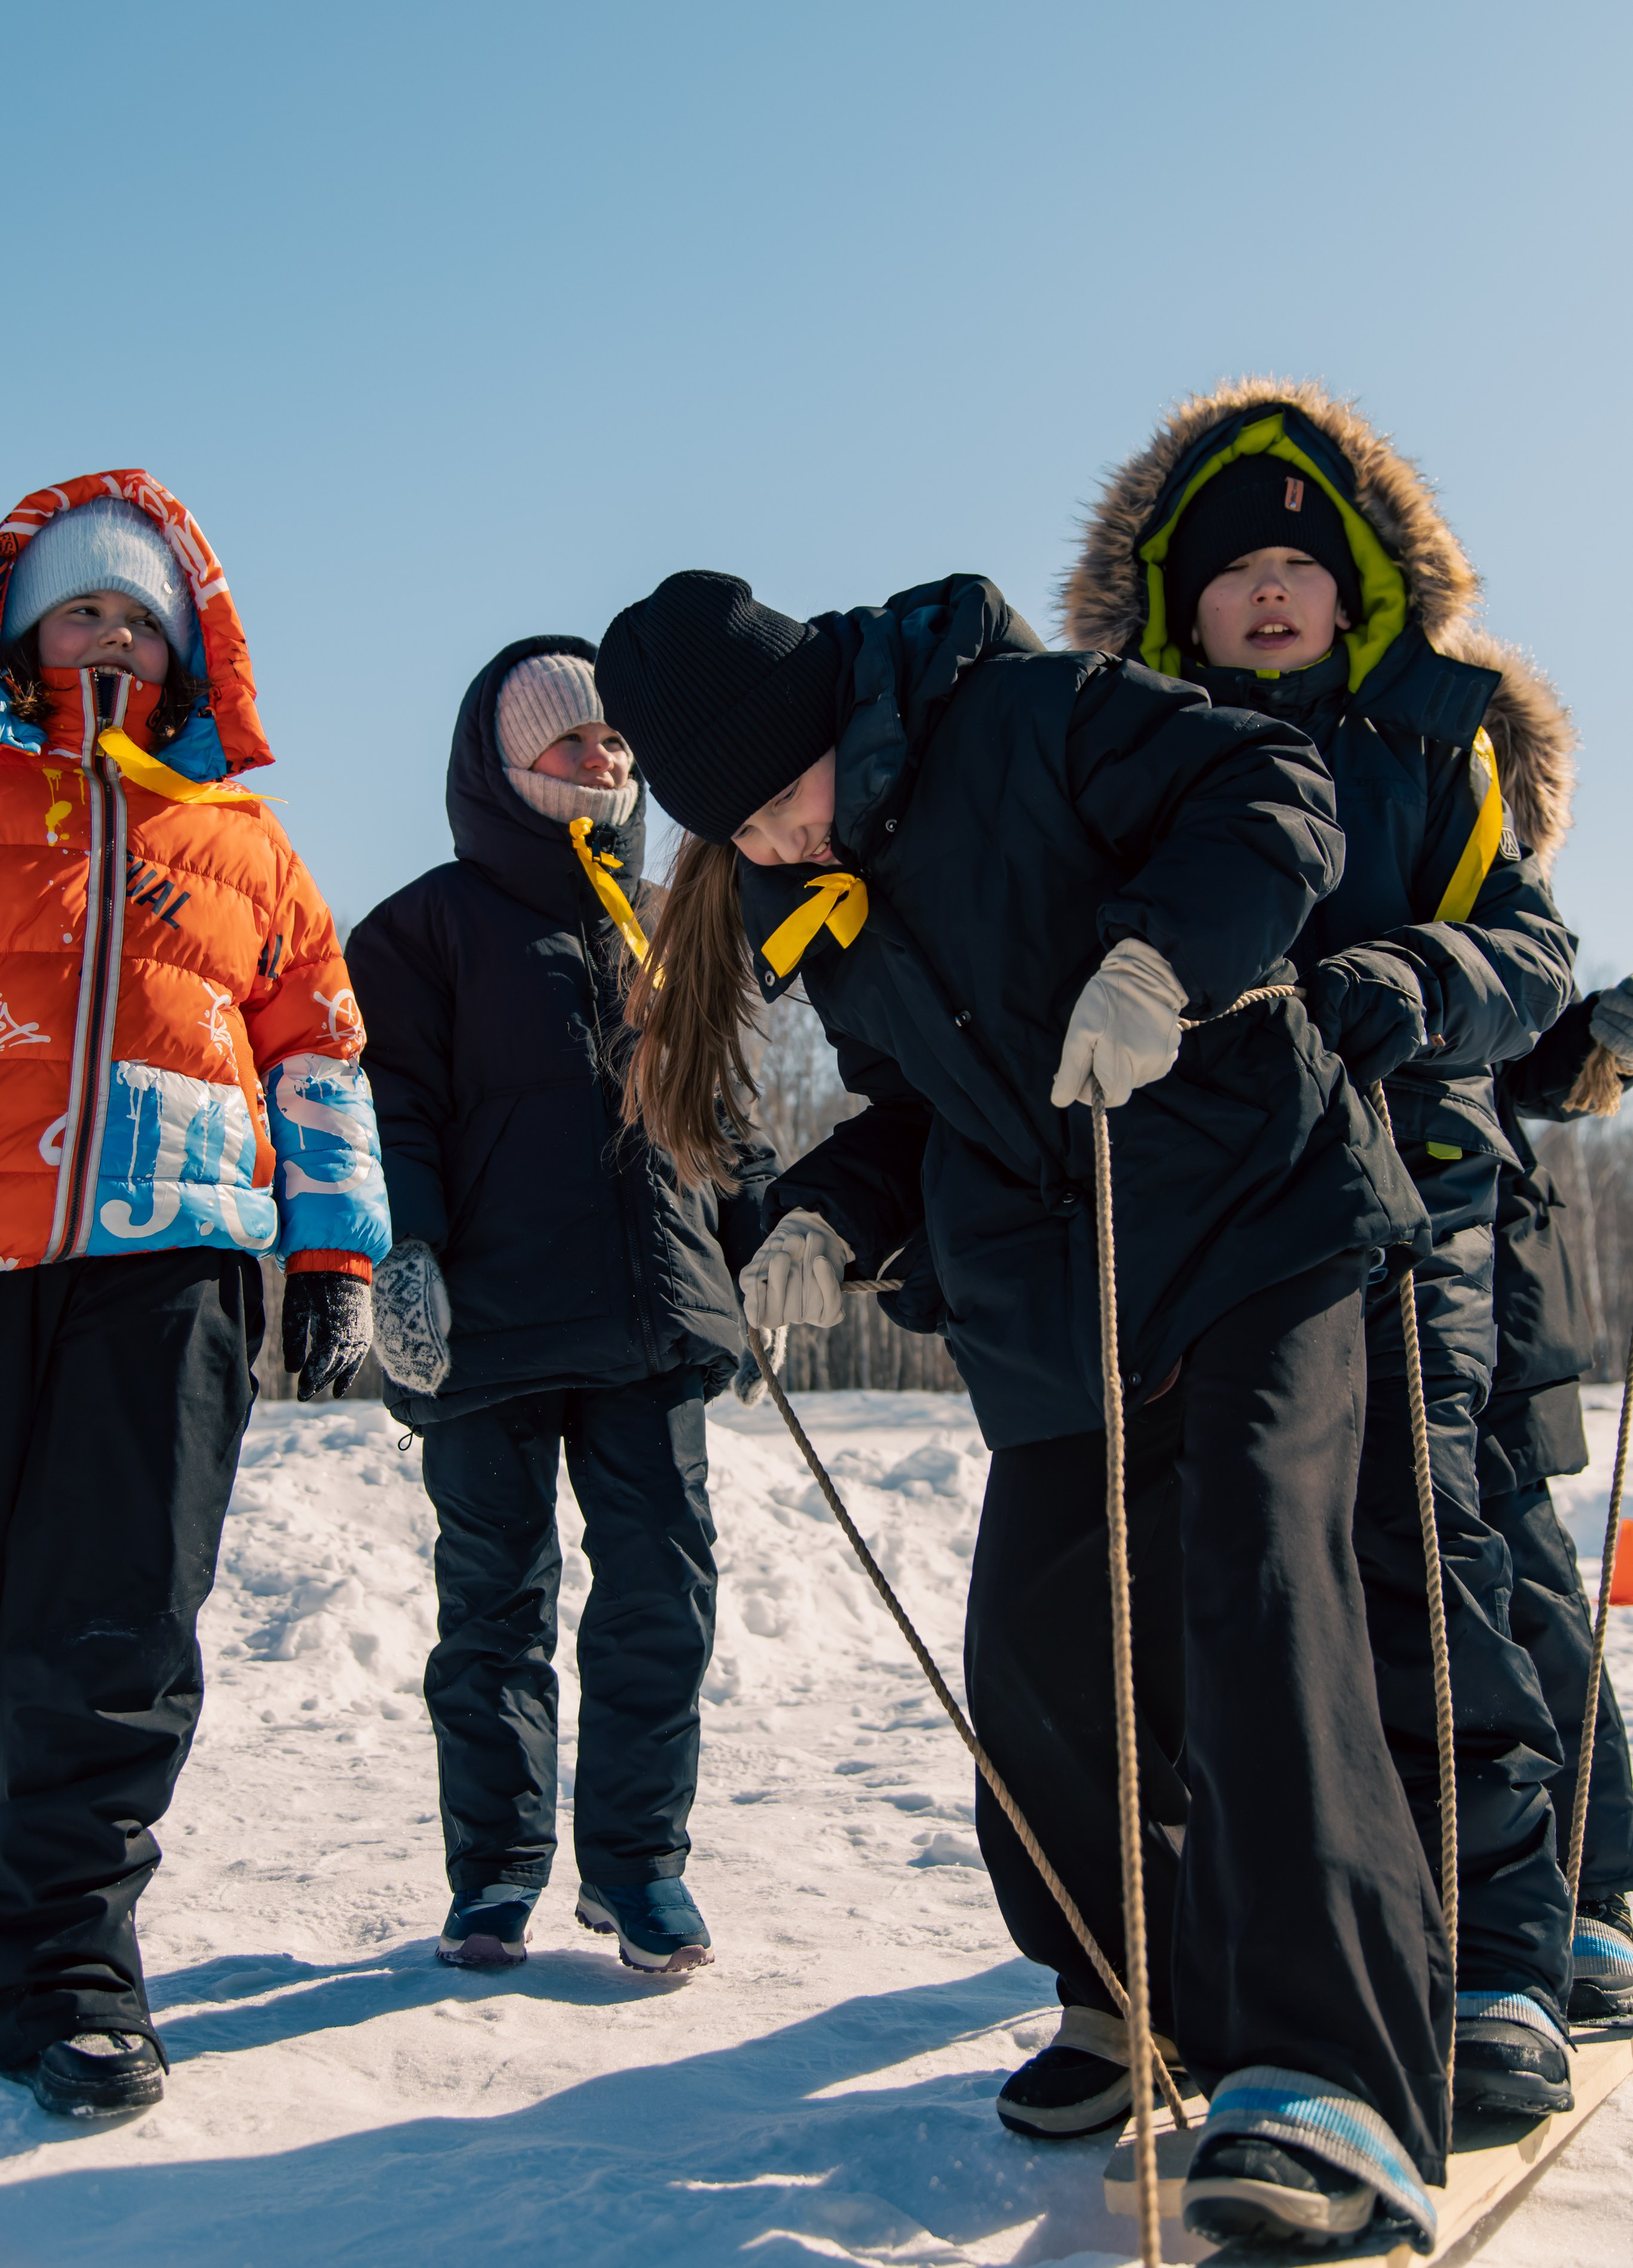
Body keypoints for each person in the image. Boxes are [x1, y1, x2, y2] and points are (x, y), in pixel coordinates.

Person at [598, 567, 1452, 2253]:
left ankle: (1326, 2077)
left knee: (1258, 1593)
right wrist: (830, 1217)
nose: (771, 842)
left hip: (1253, 1220)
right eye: (736, 830)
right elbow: (927, 1106)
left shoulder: (1027, 716)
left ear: (818, 718)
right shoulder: (819, 885)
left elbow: (1274, 790)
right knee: (1035, 1655)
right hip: (1060, 1298)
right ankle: (1127, 1990)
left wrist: (1158, 959)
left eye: (774, 800)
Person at [1067, 381, 1579, 2118]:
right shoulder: (1124, 758)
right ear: (1178, 607)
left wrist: (1416, 981)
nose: (1268, 591)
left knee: (1420, 1545)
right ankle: (1269, 1951)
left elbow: (1528, 951)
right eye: (1233, 573)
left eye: (1298, 565)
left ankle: (1498, 1952)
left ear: (1355, 587)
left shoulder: (1432, 738)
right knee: (1242, 1578)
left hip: (1414, 1182)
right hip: (1219, 1221)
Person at [0, 472, 388, 2120]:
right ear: (23, 634)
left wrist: (335, 1254)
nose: (109, 636)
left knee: (116, 1618)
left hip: (171, 1273)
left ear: (184, 653)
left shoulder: (241, 844)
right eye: (78, 609)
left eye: (137, 619)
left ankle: (75, 1963)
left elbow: (320, 1055)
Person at [347, 640, 774, 1978]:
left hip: (652, 1311)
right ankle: (494, 1874)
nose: (602, 761)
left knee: (661, 1591)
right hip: (486, 1325)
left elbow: (726, 1109)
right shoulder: (420, 929)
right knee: (495, 1606)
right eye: (569, 741)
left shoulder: (669, 919)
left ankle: (639, 1868)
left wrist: (767, 1245)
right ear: (502, 763)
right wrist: (406, 1256)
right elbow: (392, 1112)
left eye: (617, 742)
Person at [1482, 975, 1633, 2019]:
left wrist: (1596, 1038)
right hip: (1298, 1266)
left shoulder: (1463, 876)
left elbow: (1525, 1049)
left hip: (1489, 1278)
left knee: (1526, 1587)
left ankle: (1600, 1869)